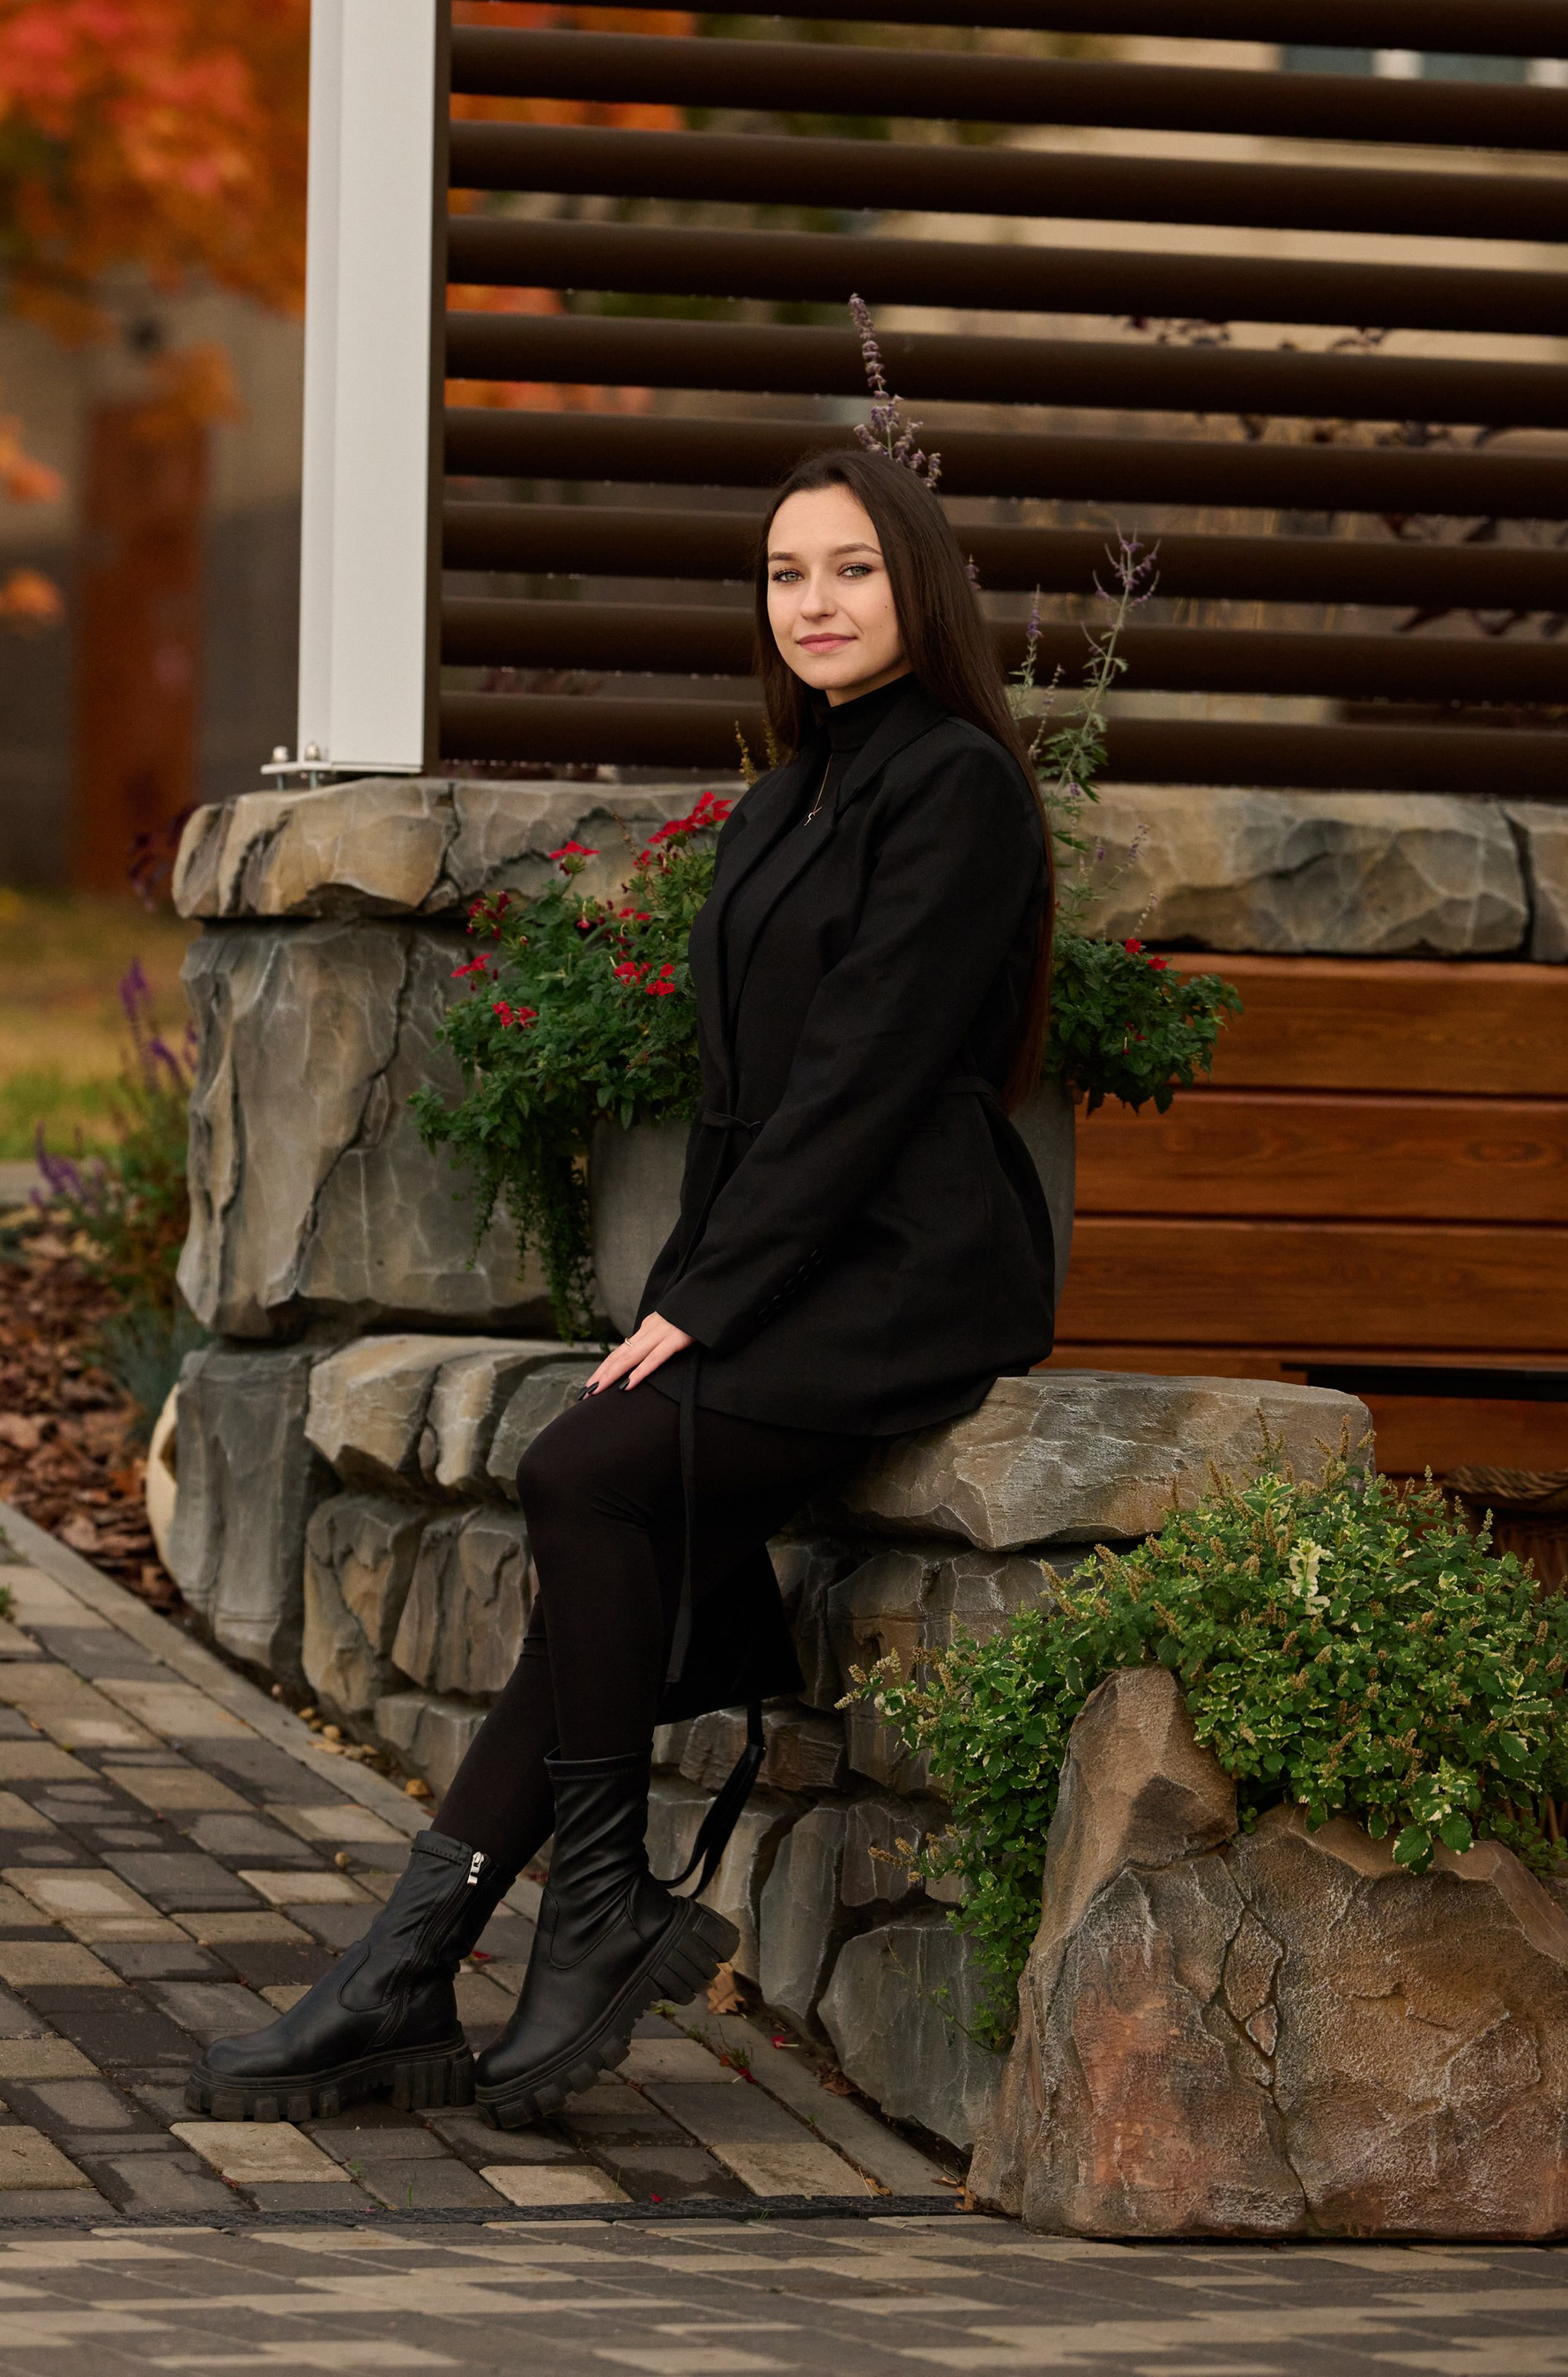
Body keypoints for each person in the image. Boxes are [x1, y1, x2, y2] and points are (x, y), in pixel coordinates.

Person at [192, 445, 1059, 2130]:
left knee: (583, 1475)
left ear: (922, 588)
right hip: (799, 1261)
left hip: (913, 1272)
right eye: (787, 574)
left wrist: (713, 1300)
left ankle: (581, 1914)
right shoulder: (789, 797)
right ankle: (405, 1973)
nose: (814, 603)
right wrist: (680, 1296)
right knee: (613, 1546)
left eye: (854, 571)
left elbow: (866, 1080)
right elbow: (739, 1102)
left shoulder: (953, 788)